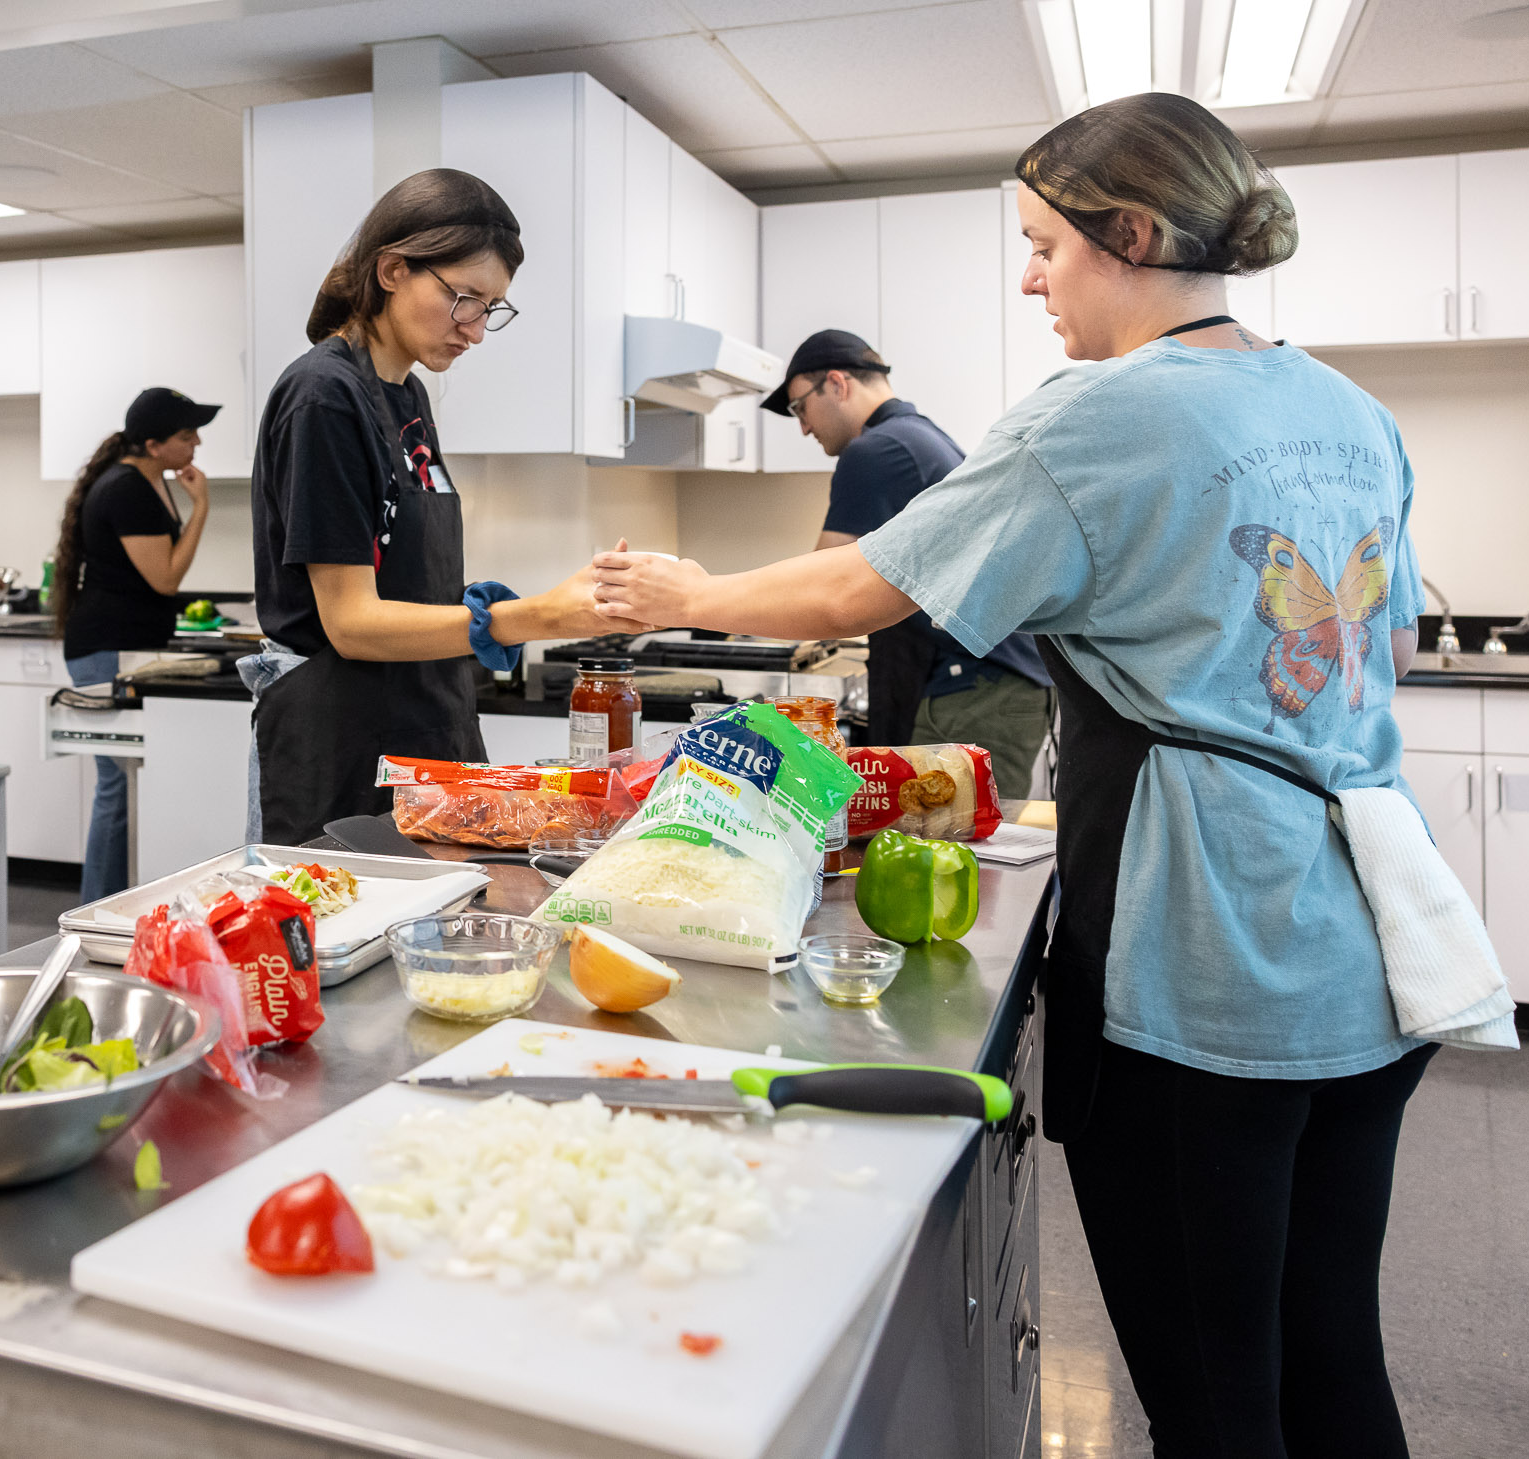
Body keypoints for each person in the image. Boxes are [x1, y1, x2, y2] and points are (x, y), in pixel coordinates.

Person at [594, 92, 1459, 1458]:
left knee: (1218, 1394)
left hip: (1204, 958)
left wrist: (693, 587)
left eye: (1044, 243)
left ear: (1131, 233)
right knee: (1332, 1357)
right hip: (1364, 944)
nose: (1029, 274)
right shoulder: (1346, 406)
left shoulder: (1103, 413)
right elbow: (1390, 643)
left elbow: (865, 583)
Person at [248, 168, 613, 844]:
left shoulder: (406, 395)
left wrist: (464, 600)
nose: (475, 330)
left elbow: (394, 564)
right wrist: (525, 618)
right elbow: (351, 620)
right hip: (342, 740)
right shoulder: (324, 395)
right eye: (465, 299)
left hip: (426, 722)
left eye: (491, 307)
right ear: (392, 270)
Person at [764, 328, 1052, 793]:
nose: (803, 426)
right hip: (997, 681)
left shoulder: (877, 450)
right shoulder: (915, 437)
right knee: (947, 848)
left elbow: (822, 586)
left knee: (950, 848)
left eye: (800, 407)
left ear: (837, 384)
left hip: (977, 687)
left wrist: (694, 599)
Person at [53, 386, 218, 902]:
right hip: (108, 649)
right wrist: (202, 508)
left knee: (123, 784)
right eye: (185, 436)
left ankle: (116, 901)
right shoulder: (125, 489)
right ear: (153, 445)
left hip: (122, 646)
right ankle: (97, 909)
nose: (195, 445)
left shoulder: (143, 483)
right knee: (117, 785)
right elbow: (166, 578)